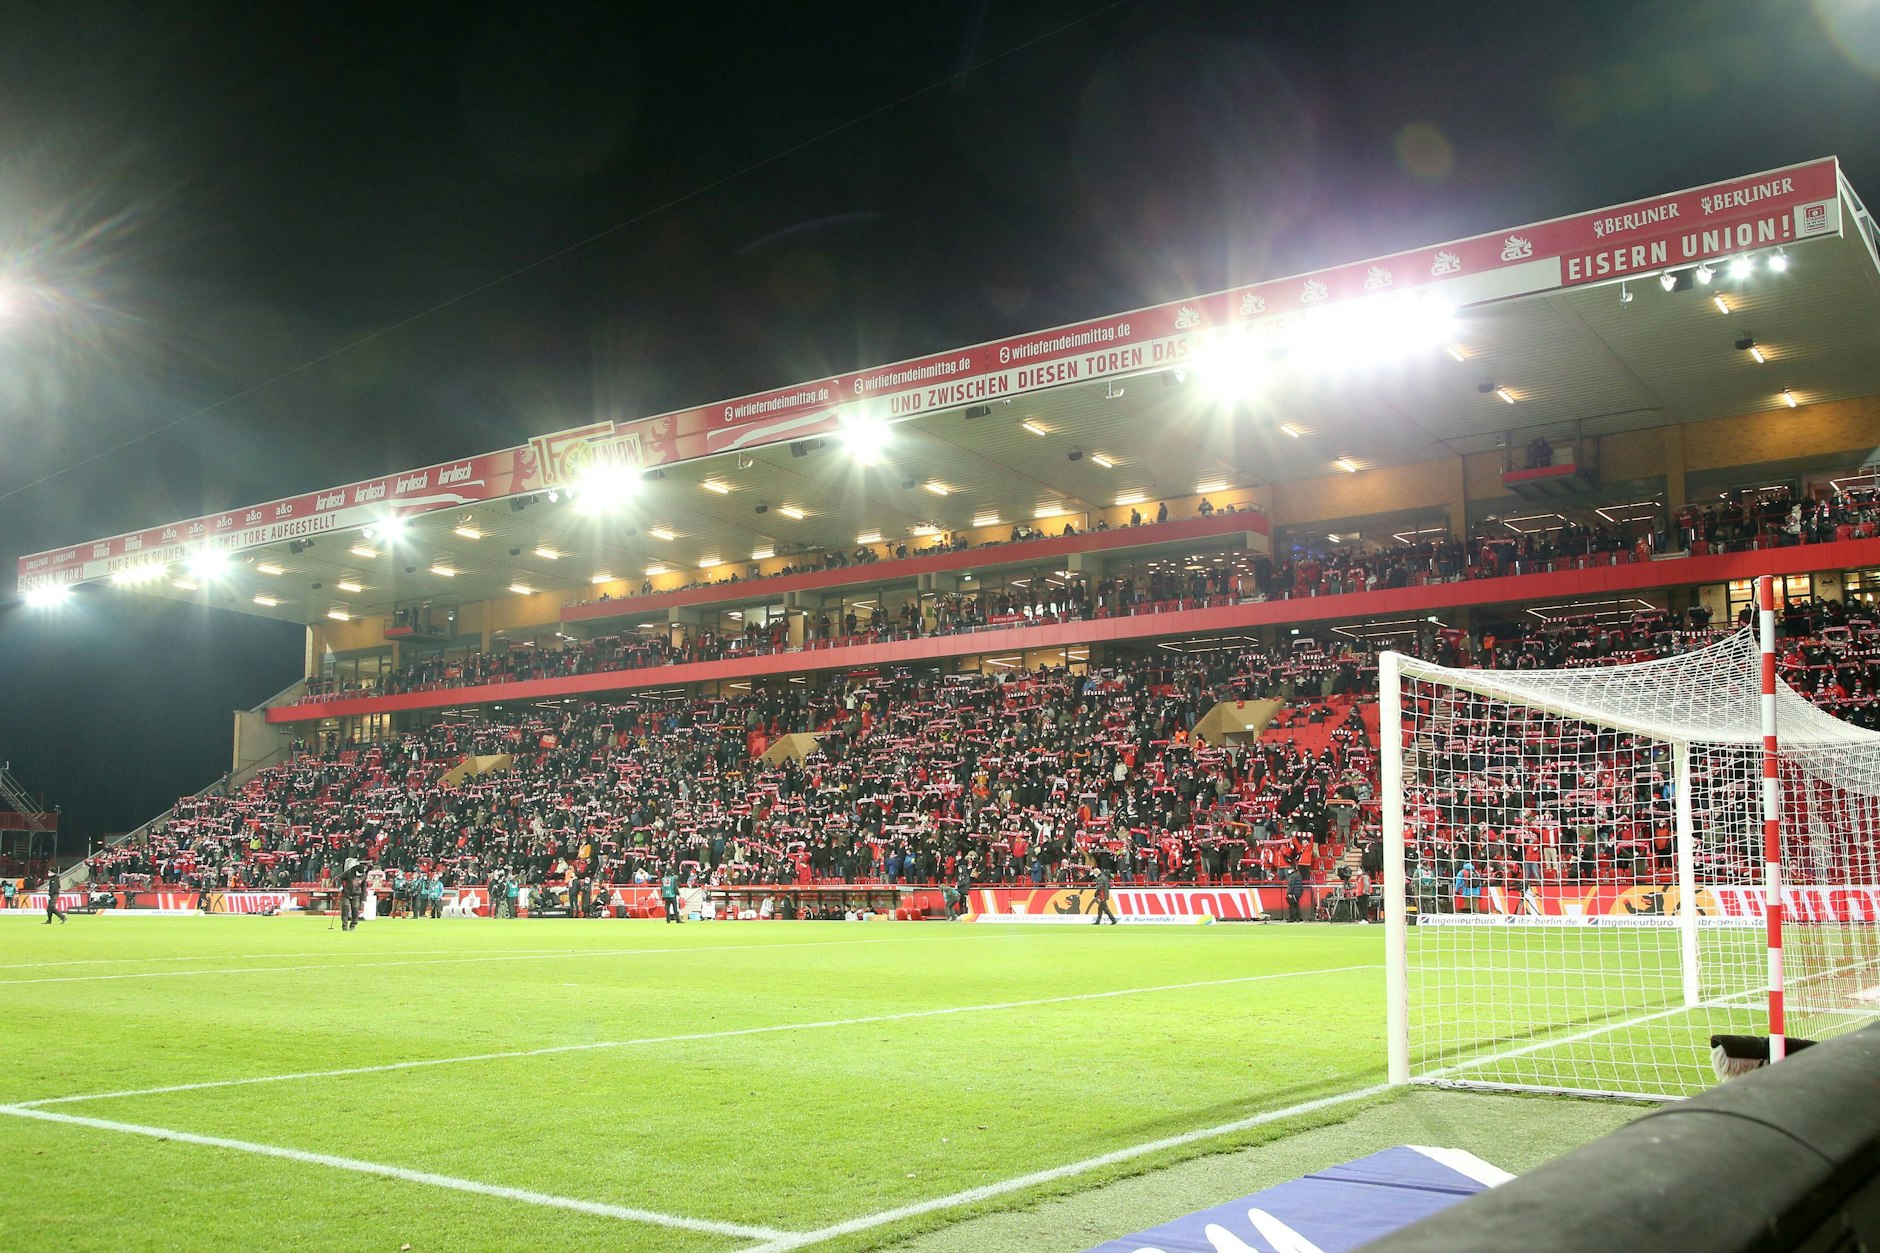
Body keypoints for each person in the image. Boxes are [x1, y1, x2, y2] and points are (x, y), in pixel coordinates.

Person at [338, 858, 368, 931]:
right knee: (345, 909)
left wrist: (364, 898)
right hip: (346, 894)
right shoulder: (349, 872)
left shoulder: (364, 875)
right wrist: (340, 886)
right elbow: (340, 877)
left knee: (355, 911)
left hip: (356, 895)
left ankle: (353, 926)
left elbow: (364, 887)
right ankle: (344, 926)